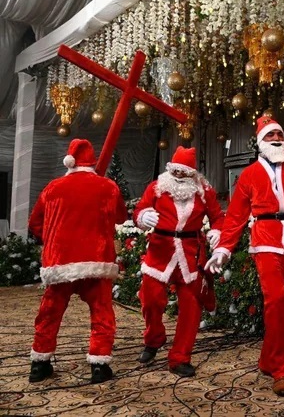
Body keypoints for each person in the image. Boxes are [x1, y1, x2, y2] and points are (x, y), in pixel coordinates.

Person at [206, 75, 284, 396]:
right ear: (260, 141)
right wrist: (223, 250)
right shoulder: (249, 176)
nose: (275, 138)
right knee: (275, 301)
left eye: (279, 134)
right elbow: (234, 218)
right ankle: (283, 369)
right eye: (269, 135)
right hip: (267, 240)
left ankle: (268, 358)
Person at [28, 139, 128, 384]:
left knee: (50, 312)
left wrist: (53, 237)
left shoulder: (52, 188)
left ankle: (39, 365)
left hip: (59, 262)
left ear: (69, 163)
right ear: (92, 163)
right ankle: (99, 366)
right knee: (102, 312)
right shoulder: (108, 187)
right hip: (97, 261)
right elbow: (120, 217)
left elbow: (34, 224)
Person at [133, 146, 224, 378]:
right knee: (151, 299)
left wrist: (217, 231)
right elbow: (139, 210)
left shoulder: (204, 191)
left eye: (185, 173)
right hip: (159, 251)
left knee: (191, 306)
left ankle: (180, 357)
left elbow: (218, 217)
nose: (180, 177)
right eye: (176, 172)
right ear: (170, 170)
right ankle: (154, 338)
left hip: (190, 253)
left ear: (193, 173)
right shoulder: (156, 187)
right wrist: (143, 216)